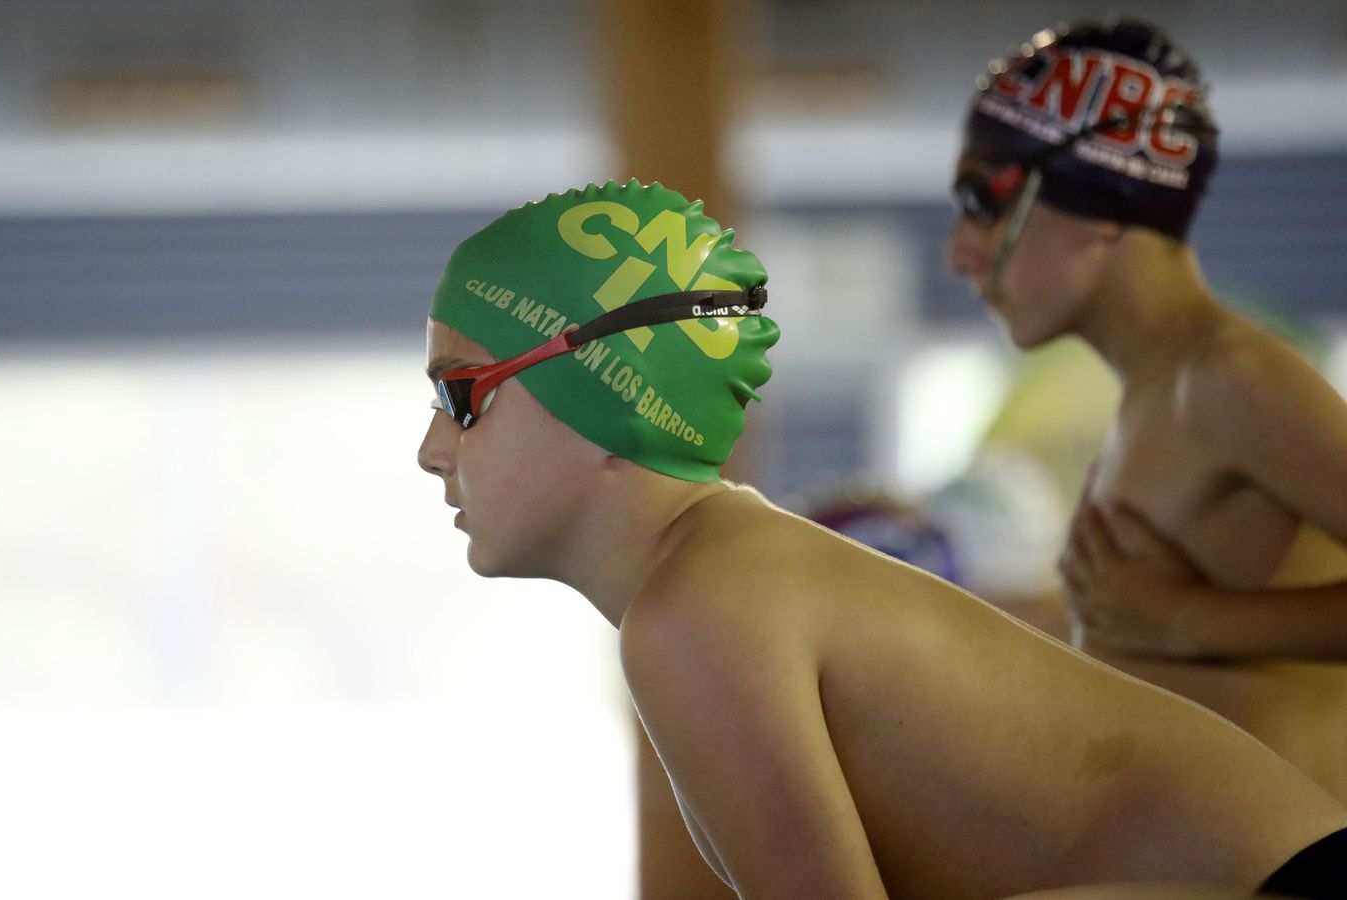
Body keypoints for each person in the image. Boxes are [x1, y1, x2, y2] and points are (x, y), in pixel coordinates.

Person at [417, 179, 1347, 898]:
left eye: (461, 395)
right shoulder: (727, 569)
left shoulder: (695, 609)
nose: (431, 451)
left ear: (599, 397)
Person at [944, 18, 1347, 804]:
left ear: (1100, 202)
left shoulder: (1231, 377)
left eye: (981, 200)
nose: (959, 251)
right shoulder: (1158, 395)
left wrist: (1190, 620)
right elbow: (1130, 626)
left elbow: (1162, 622)